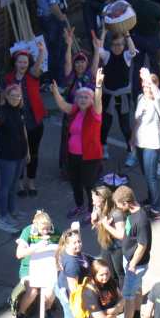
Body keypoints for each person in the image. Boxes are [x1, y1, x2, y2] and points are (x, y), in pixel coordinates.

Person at [50, 72, 105, 219]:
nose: (83, 99)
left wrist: (98, 85)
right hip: (73, 155)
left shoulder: (95, 113)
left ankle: (93, 211)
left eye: (86, 97)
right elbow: (62, 104)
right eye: (80, 97)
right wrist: (55, 91)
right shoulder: (74, 111)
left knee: (89, 186)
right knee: (75, 182)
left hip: (90, 156)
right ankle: (79, 206)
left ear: (91, 101)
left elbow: (98, 99)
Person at [3, 44, 46, 200]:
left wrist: (41, 50)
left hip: (34, 122)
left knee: (33, 153)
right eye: (20, 62)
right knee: (20, 154)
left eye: (25, 62)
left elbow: (39, 63)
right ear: (15, 63)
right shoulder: (8, 78)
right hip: (17, 124)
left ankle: (31, 182)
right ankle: (20, 184)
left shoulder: (32, 75)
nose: (22, 65)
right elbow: (3, 98)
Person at [0, 86, 31, 227]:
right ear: (7, 96)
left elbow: (23, 129)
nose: (15, 98)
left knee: (14, 183)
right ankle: (4, 214)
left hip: (20, 154)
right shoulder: (2, 111)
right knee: (6, 185)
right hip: (7, 156)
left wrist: (27, 150)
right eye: (12, 96)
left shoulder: (19, 109)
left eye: (18, 96)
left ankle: (12, 209)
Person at [113, 186, 152, 318]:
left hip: (135, 264)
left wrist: (132, 264)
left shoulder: (141, 220)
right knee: (137, 288)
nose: (118, 208)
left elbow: (142, 246)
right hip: (132, 261)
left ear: (126, 203)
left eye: (119, 205)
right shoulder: (134, 212)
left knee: (127, 296)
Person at [94, 30, 136, 162]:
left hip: (123, 96)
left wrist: (128, 34)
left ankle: (131, 152)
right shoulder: (106, 56)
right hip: (108, 95)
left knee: (125, 127)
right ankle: (103, 147)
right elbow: (99, 49)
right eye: (114, 45)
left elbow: (133, 51)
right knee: (105, 124)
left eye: (119, 45)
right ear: (110, 46)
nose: (117, 47)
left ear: (123, 46)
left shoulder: (126, 56)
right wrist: (103, 33)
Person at [14, 211, 61, 318]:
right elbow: (19, 254)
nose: (45, 232)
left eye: (47, 228)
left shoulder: (56, 231)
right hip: (30, 267)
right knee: (32, 292)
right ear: (35, 225)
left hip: (48, 266)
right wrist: (37, 246)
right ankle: (21, 313)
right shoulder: (28, 231)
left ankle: (48, 309)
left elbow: (64, 248)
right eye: (42, 229)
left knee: (50, 293)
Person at [130, 67, 160, 219]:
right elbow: (136, 119)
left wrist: (150, 81)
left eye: (150, 85)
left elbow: (156, 93)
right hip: (140, 142)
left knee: (151, 176)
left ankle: (156, 209)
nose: (147, 88)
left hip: (152, 143)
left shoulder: (158, 100)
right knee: (146, 173)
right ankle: (151, 199)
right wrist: (132, 137)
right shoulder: (140, 98)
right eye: (144, 85)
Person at [29, 0, 68, 84]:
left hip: (42, 16)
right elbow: (53, 4)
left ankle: (54, 77)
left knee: (56, 48)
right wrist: (62, 20)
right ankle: (55, 79)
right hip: (52, 18)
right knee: (57, 51)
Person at [129, 0, 160, 98]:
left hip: (137, 37)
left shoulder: (133, 1)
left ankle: (136, 96)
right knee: (155, 66)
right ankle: (155, 93)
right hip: (153, 39)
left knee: (137, 68)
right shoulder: (156, 7)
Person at [55, 228, 92, 318]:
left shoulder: (67, 251)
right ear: (67, 244)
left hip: (62, 286)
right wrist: (78, 305)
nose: (78, 245)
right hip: (69, 295)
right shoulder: (72, 264)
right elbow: (73, 288)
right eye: (74, 243)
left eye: (79, 241)